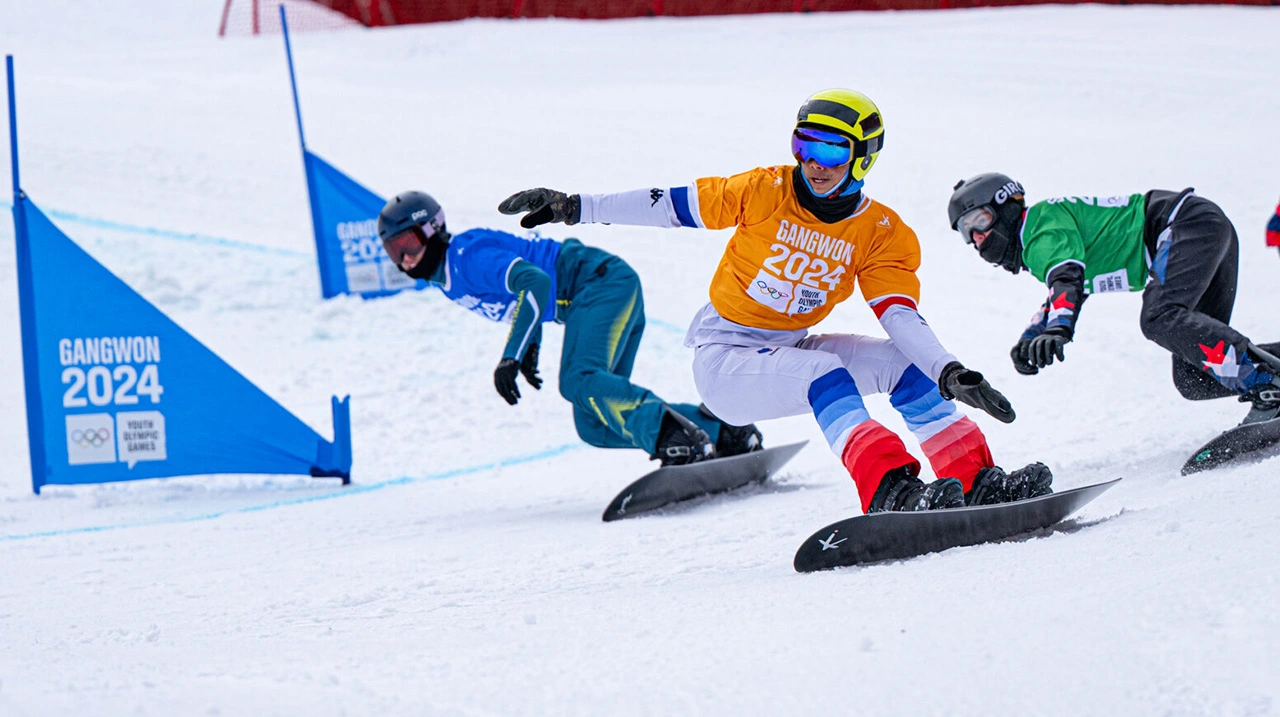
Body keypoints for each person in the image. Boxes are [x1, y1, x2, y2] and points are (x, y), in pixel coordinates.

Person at [499, 89, 1052, 514]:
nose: (816, 162)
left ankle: (975, 480)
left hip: (789, 345)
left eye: (834, 149)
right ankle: (889, 489)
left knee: (908, 369)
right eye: (806, 145)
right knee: (826, 375)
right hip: (726, 361)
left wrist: (948, 370)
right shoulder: (764, 191)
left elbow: (898, 313)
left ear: (864, 158)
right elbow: (668, 205)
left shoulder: (881, 231)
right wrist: (575, 206)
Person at [376, 190, 764, 466]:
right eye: (394, 252)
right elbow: (524, 301)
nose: (405, 260)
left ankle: (675, 440)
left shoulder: (466, 256)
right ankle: (722, 432)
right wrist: (530, 345)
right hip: (595, 294)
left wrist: (511, 356)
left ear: (433, 229)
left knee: (579, 380)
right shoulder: (447, 277)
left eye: (408, 244)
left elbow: (536, 283)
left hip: (599, 284)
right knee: (593, 423)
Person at [947, 173, 1280, 426]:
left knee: (1159, 316)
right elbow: (1066, 288)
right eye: (966, 231)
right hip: (1200, 225)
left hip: (1183, 225)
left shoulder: (1038, 227)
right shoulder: (1044, 238)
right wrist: (1032, 335)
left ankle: (1268, 387)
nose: (977, 238)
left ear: (1007, 207)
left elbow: (1067, 281)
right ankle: (1270, 373)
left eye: (981, 220)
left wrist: (1058, 330)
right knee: (1194, 378)